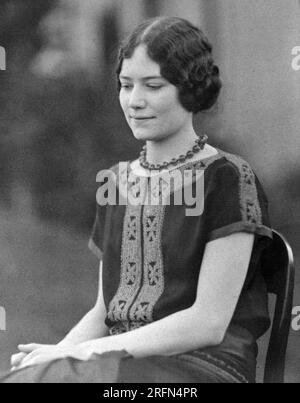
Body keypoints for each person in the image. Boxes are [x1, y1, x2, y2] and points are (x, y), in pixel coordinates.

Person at [2, 16, 273, 383]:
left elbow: (208, 323)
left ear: (191, 89)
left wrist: (86, 353)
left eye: (153, 86)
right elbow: (103, 313)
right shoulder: (116, 182)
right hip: (117, 364)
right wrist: (55, 356)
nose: (135, 101)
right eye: (126, 85)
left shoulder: (226, 178)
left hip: (201, 369)